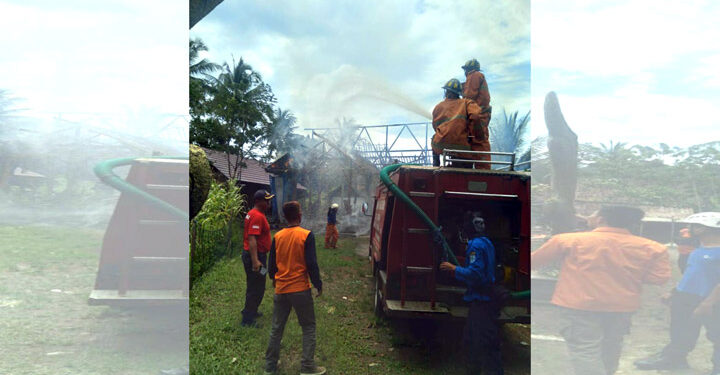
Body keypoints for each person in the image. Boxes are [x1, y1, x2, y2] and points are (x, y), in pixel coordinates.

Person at [532, 205, 671, 375]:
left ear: (600, 219)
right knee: (611, 346)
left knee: (585, 350)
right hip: (621, 306)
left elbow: (533, 262)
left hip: (579, 305)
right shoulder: (653, 247)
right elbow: (659, 278)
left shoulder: (567, 240)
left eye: (592, 213)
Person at [634, 212, 720, 374]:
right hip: (686, 296)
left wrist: (707, 303)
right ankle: (674, 358)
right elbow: (692, 274)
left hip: (713, 299)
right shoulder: (699, 249)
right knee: (681, 328)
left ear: (703, 229)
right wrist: (675, 292)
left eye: (693, 226)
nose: (689, 229)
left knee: (717, 333)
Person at [264, 201, 326, 375]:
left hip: (281, 290)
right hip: (300, 290)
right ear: (299, 215)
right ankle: (307, 367)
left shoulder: (278, 236)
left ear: (284, 217)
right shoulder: (306, 235)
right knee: (308, 326)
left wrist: (275, 279)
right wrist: (318, 284)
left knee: (276, 328)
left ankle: (270, 366)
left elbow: (271, 267)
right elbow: (312, 263)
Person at [439, 211, 503, 375]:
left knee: (479, 342)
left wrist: (454, 269)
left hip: (482, 301)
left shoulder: (475, 245)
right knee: (478, 339)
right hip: (487, 299)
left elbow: (476, 274)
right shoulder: (486, 242)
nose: (480, 225)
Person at [431, 78, 484, 168]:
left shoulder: (438, 106)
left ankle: (435, 166)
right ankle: (466, 169)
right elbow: (476, 116)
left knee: (433, 139)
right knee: (466, 158)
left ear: (446, 92)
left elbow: (435, 127)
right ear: (459, 93)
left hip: (440, 145)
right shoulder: (466, 103)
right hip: (461, 146)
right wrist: (478, 135)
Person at [241, 189, 274, 327]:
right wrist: (255, 261)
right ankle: (247, 319)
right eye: (266, 200)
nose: (268, 202)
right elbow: (252, 238)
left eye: (269, 200)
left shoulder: (253, 214)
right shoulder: (257, 216)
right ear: (258, 201)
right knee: (256, 287)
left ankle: (251, 311)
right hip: (256, 256)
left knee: (256, 282)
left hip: (255, 255)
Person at [461, 58, 492, 169]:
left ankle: (483, 171)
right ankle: (482, 168)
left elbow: (469, 96)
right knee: (477, 141)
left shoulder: (474, 75)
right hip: (479, 114)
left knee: (479, 142)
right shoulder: (478, 76)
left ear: (469, 69)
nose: (464, 72)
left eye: (465, 69)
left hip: (477, 115)